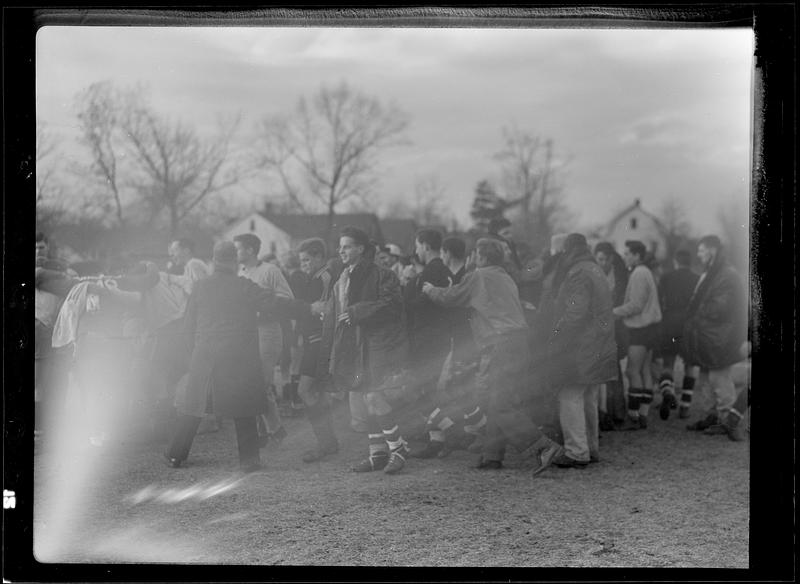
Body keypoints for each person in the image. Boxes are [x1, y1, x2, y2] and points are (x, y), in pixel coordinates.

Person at [423, 238, 563, 475]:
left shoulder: (478, 276)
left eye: (476, 255)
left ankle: (543, 447)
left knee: (498, 401)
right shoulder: (505, 277)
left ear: (482, 257)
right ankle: (492, 455)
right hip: (518, 342)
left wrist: (429, 289)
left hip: (501, 343)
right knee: (497, 398)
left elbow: (450, 297)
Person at [164, 241, 287, 472]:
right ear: (233, 261)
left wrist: (194, 353)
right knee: (244, 406)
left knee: (193, 405)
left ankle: (175, 455)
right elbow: (275, 303)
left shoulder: (200, 286)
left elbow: (188, 325)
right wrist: (308, 309)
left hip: (205, 355)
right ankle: (250, 460)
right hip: (237, 356)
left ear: (214, 260)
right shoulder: (243, 286)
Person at [323, 226, 412, 475]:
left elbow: (392, 305)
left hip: (382, 344)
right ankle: (378, 455)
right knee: (364, 396)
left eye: (347, 246)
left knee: (375, 396)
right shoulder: (343, 278)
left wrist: (356, 312)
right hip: (356, 346)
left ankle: (398, 448)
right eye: (340, 247)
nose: (341, 251)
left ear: (361, 249)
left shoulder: (383, 275)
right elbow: (335, 316)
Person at [543, 234, 618, 468]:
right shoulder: (595, 269)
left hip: (582, 345)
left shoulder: (578, 273)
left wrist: (556, 334)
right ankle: (591, 448)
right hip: (601, 343)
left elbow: (576, 312)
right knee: (588, 397)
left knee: (569, 394)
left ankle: (576, 451)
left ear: (568, 250)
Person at [282, 238, 340, 462]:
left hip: (319, 341)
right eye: (301, 260)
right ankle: (329, 442)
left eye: (307, 260)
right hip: (311, 340)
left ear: (319, 257)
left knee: (305, 391)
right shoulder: (313, 277)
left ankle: (325, 443)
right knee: (317, 393)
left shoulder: (324, 278)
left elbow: (323, 311)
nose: (303, 264)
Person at [681, 235, 747, 434]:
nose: (699, 255)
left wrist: (695, 314)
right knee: (705, 380)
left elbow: (720, 307)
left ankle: (727, 420)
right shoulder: (713, 272)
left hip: (719, 338)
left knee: (719, 378)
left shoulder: (725, 274)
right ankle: (712, 417)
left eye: (701, 251)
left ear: (712, 251)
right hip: (709, 337)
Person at [404, 229, 460, 458]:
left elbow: (416, 306)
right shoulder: (446, 271)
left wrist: (407, 285)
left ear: (426, 246)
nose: (416, 250)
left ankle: (451, 429)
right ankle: (437, 440)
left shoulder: (429, 272)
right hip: (442, 338)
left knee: (416, 392)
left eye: (417, 245)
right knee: (427, 391)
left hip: (426, 339)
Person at [233, 233, 293, 447]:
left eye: (238, 248)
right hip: (245, 335)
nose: (235, 252)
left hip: (267, 331)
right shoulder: (238, 272)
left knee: (262, 382)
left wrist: (264, 311)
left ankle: (274, 430)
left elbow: (287, 299)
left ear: (250, 250)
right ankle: (267, 431)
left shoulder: (270, 270)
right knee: (251, 382)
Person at [613, 240, 662, 430]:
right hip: (651, 327)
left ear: (636, 255)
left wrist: (613, 312)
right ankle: (643, 414)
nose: (624, 257)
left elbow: (636, 305)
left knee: (632, 371)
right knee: (644, 370)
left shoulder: (639, 273)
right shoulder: (645, 271)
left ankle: (634, 415)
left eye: (626, 253)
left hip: (641, 329)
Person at [654, 249, 700, 420]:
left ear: (675, 261)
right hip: (688, 325)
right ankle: (685, 407)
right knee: (690, 366)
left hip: (669, 323)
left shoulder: (666, 277)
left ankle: (668, 392)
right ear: (690, 262)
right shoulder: (697, 279)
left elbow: (659, 301)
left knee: (668, 363)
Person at [594, 242, 630, 429]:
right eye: (600, 259)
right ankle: (602, 412)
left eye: (607, 259)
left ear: (612, 259)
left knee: (613, 367)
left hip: (615, 327)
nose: (604, 263)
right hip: (598, 327)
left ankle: (616, 411)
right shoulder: (593, 274)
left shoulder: (620, 277)